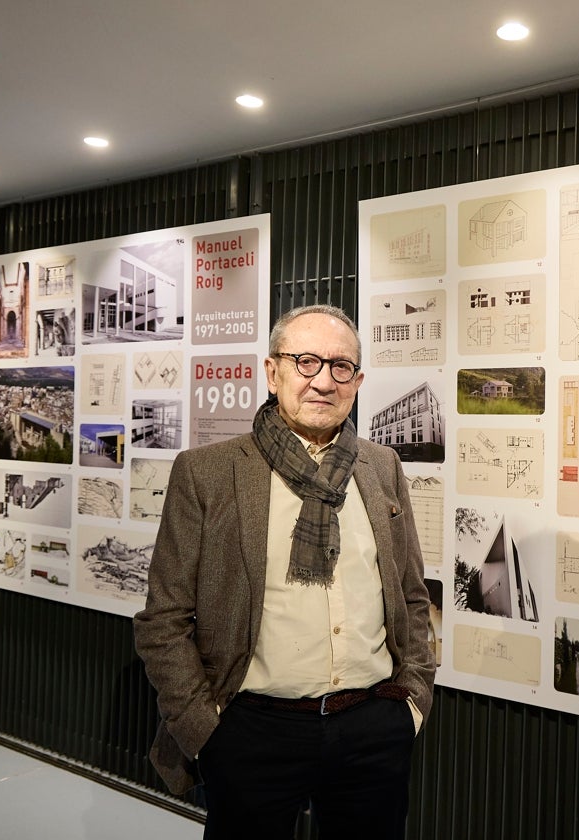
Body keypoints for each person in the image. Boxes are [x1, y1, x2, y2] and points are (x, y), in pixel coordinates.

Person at [134, 304, 435, 839]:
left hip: (374, 724)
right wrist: (207, 733)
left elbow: (412, 596)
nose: (323, 380)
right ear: (272, 373)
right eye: (305, 362)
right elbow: (164, 620)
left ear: (358, 382)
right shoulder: (207, 472)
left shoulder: (381, 466)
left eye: (340, 366)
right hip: (253, 730)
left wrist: (411, 702)